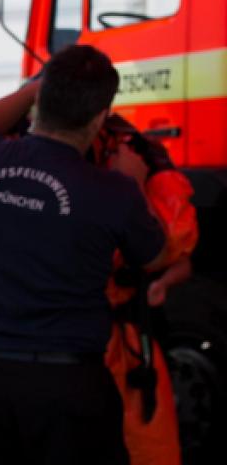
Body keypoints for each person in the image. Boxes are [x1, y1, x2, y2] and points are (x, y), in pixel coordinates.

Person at [0, 44, 168, 465]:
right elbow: (154, 257)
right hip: (69, 387)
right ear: (100, 116)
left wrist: (35, 88)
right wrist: (136, 183)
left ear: (38, 99)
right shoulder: (114, 191)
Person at [90, 114, 197, 465]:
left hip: (121, 342)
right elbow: (168, 248)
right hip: (91, 342)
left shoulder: (130, 152)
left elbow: (175, 252)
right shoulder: (129, 158)